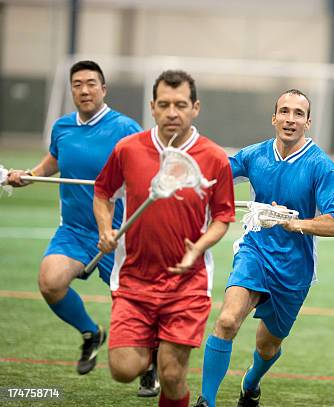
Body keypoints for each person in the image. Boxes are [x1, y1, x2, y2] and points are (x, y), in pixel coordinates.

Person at [5, 60, 160, 396]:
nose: (84, 89)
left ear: (103, 89)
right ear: (72, 90)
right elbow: (53, 162)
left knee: (135, 307)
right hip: (74, 231)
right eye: (78, 84)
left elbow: (148, 170)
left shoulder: (126, 128)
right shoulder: (62, 127)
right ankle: (91, 333)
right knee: (50, 281)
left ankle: (151, 363)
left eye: (91, 83)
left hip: (117, 236)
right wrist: (26, 176)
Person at [194, 89, 334, 407]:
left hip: (294, 267)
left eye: (298, 114)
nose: (290, 119)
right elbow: (213, 176)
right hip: (255, 250)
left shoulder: (321, 166)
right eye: (285, 111)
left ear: (308, 122)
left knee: (267, 346)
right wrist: (184, 174)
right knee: (226, 320)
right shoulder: (255, 155)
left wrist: (297, 224)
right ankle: (205, 401)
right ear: (274, 117)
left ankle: (251, 385)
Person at [93, 69, 234, 407]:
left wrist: (198, 248)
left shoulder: (214, 157)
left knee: (172, 376)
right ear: (152, 107)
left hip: (187, 282)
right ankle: (154, 346)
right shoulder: (128, 149)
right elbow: (102, 192)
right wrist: (105, 230)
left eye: (181, 104)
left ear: (195, 107)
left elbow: (224, 217)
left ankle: (165, 356)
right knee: (124, 369)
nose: (173, 112)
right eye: (165, 104)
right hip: (134, 280)